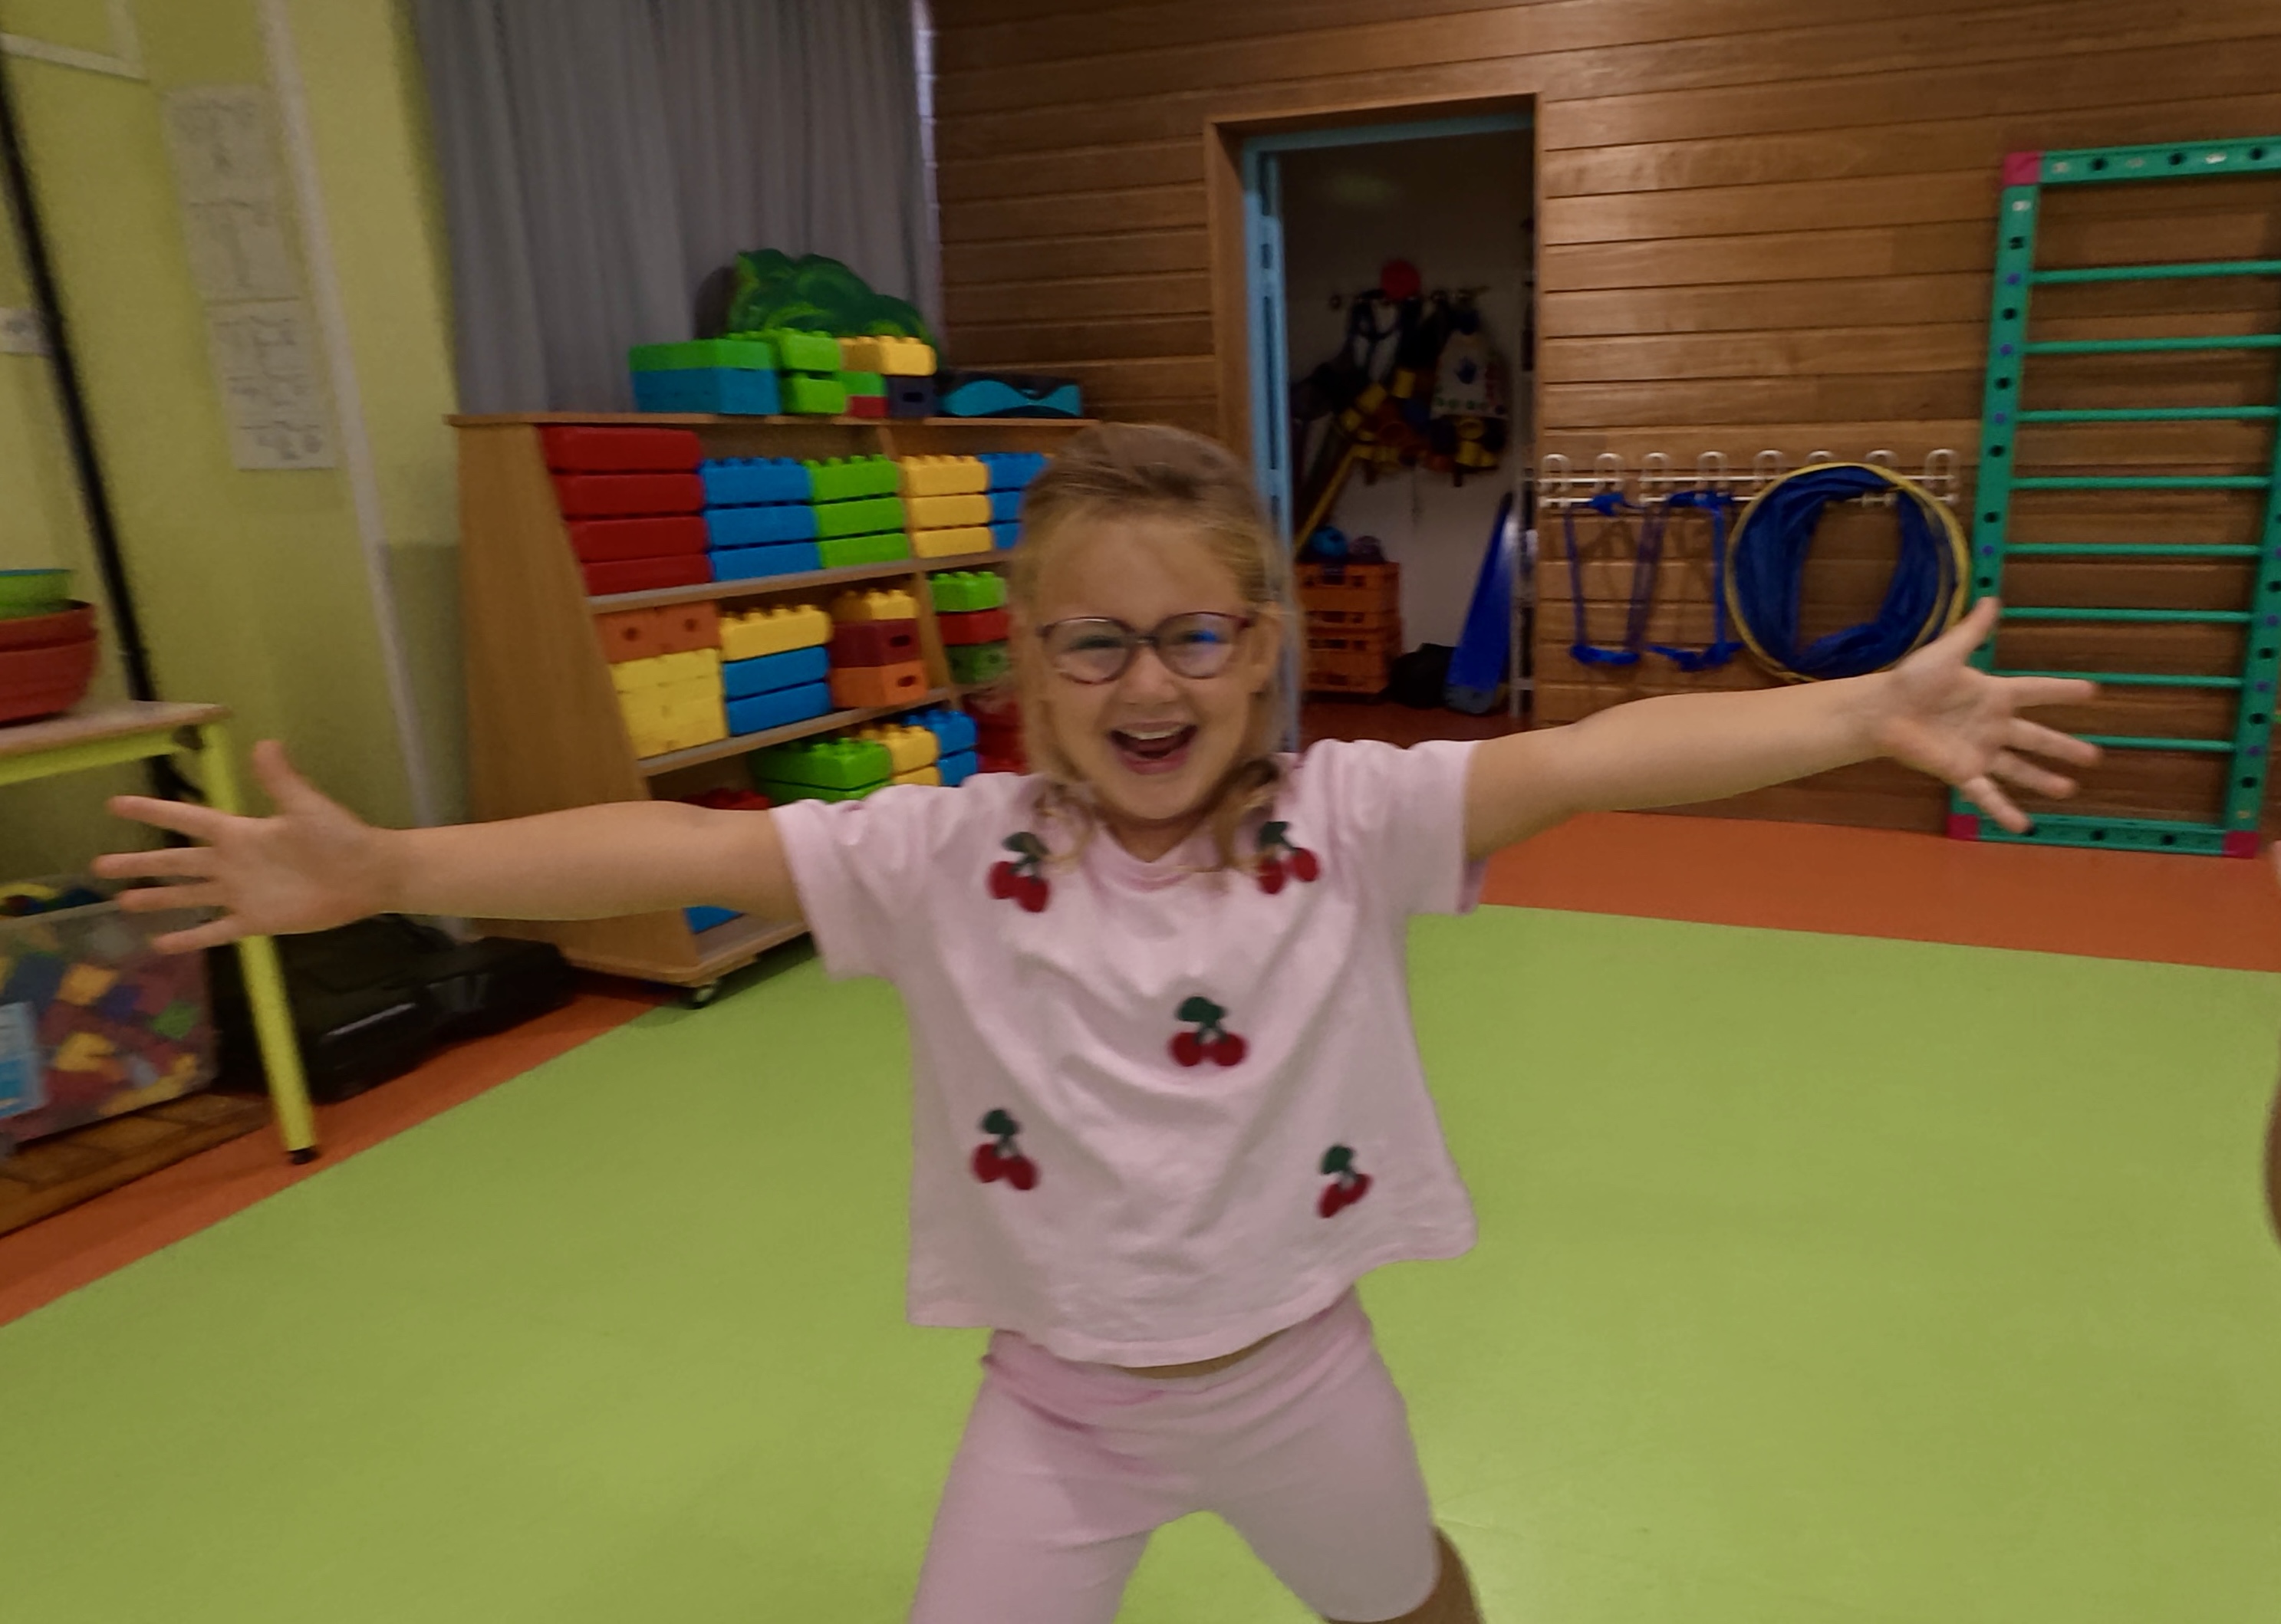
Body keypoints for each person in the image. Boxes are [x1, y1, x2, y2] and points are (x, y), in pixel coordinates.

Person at [97, 424, 2099, 1624]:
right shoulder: (941, 855)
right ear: (1031, 666)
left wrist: (1857, 710)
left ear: (1263, 650)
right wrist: (389, 865)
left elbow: (1592, 757)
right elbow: (674, 840)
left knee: (1403, 1600)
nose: (1152, 683)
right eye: (1098, 642)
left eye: (1198, 634)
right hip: (1056, 1412)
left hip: (1299, 1372)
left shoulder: (1354, 823)